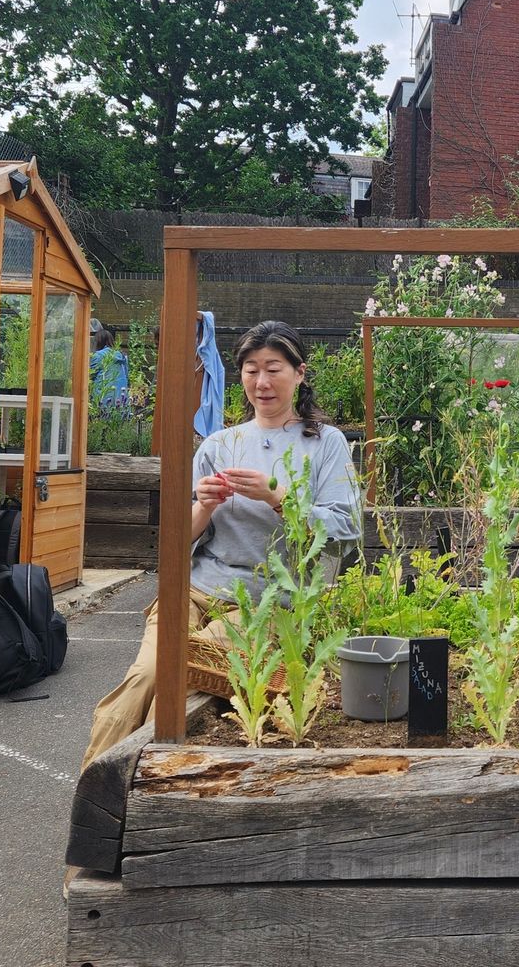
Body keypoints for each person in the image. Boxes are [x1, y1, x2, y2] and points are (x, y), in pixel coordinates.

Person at [76, 320, 360, 777]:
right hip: (195, 590)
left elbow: (345, 529)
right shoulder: (219, 444)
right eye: (251, 370)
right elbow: (177, 542)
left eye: (274, 369)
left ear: (300, 373)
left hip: (266, 601)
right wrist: (203, 508)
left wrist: (277, 495)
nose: (262, 382)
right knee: (144, 677)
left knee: (177, 680)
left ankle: (134, 797)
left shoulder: (326, 444)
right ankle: (92, 792)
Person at [89, 327, 130, 409]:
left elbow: (90, 376)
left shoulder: (98, 356)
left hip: (103, 399)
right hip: (121, 400)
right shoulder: (122, 357)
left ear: (98, 342)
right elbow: (126, 377)